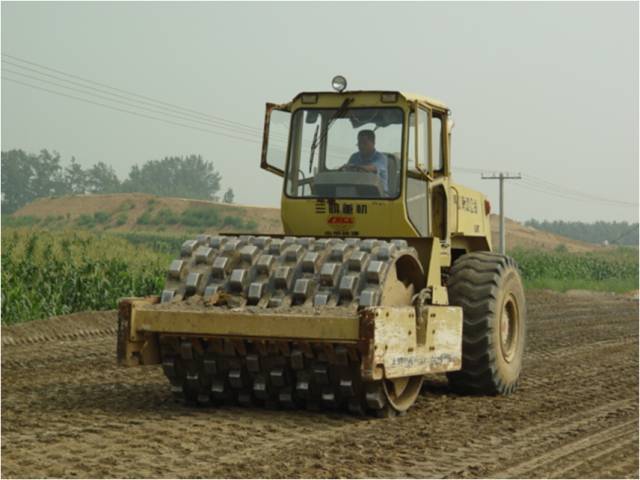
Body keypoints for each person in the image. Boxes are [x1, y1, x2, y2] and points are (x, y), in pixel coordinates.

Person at [343, 130, 389, 195]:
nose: (361, 146)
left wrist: (353, 167)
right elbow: (347, 171)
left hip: (379, 196)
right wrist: (345, 168)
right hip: (358, 193)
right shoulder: (354, 157)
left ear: (373, 143)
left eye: (364, 143)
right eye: (359, 143)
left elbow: (371, 169)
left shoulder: (381, 158)